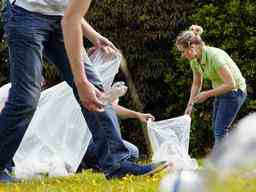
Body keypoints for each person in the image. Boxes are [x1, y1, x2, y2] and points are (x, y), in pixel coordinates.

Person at [0, 0, 167, 182]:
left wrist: (93, 35)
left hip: (60, 18)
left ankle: (118, 164)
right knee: (26, 98)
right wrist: (81, 82)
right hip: (25, 14)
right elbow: (70, 20)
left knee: (96, 89)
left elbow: (70, 11)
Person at [175, 25, 247, 148]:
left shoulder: (214, 57)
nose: (182, 55)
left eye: (182, 51)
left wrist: (207, 94)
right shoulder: (194, 60)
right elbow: (197, 82)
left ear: (192, 47)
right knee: (217, 128)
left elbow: (231, 84)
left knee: (220, 130)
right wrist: (190, 105)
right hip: (221, 91)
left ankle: (223, 164)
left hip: (235, 91)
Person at [79, 103, 155, 171]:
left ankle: (98, 165)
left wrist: (138, 115)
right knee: (130, 152)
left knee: (132, 152)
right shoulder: (84, 92)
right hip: (83, 144)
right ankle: (85, 163)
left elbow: (110, 107)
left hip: (90, 140)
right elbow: (104, 105)